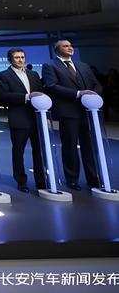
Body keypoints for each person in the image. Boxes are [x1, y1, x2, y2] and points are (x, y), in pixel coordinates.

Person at [41, 39, 103, 190]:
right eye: (65, 46)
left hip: (88, 111)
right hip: (68, 111)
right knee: (70, 146)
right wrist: (78, 93)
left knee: (89, 146)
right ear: (57, 49)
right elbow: (51, 86)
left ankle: (93, 178)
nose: (70, 48)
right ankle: (72, 179)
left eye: (70, 45)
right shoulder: (50, 65)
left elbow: (96, 84)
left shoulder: (83, 65)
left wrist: (94, 96)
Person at [0, 48, 46, 193]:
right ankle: (21, 181)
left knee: (39, 151)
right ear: (10, 59)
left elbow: (41, 94)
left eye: (22, 57)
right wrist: (26, 97)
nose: (20, 60)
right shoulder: (4, 75)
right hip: (18, 117)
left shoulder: (33, 74)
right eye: (17, 57)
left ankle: (41, 181)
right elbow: (4, 96)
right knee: (18, 151)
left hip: (36, 117)